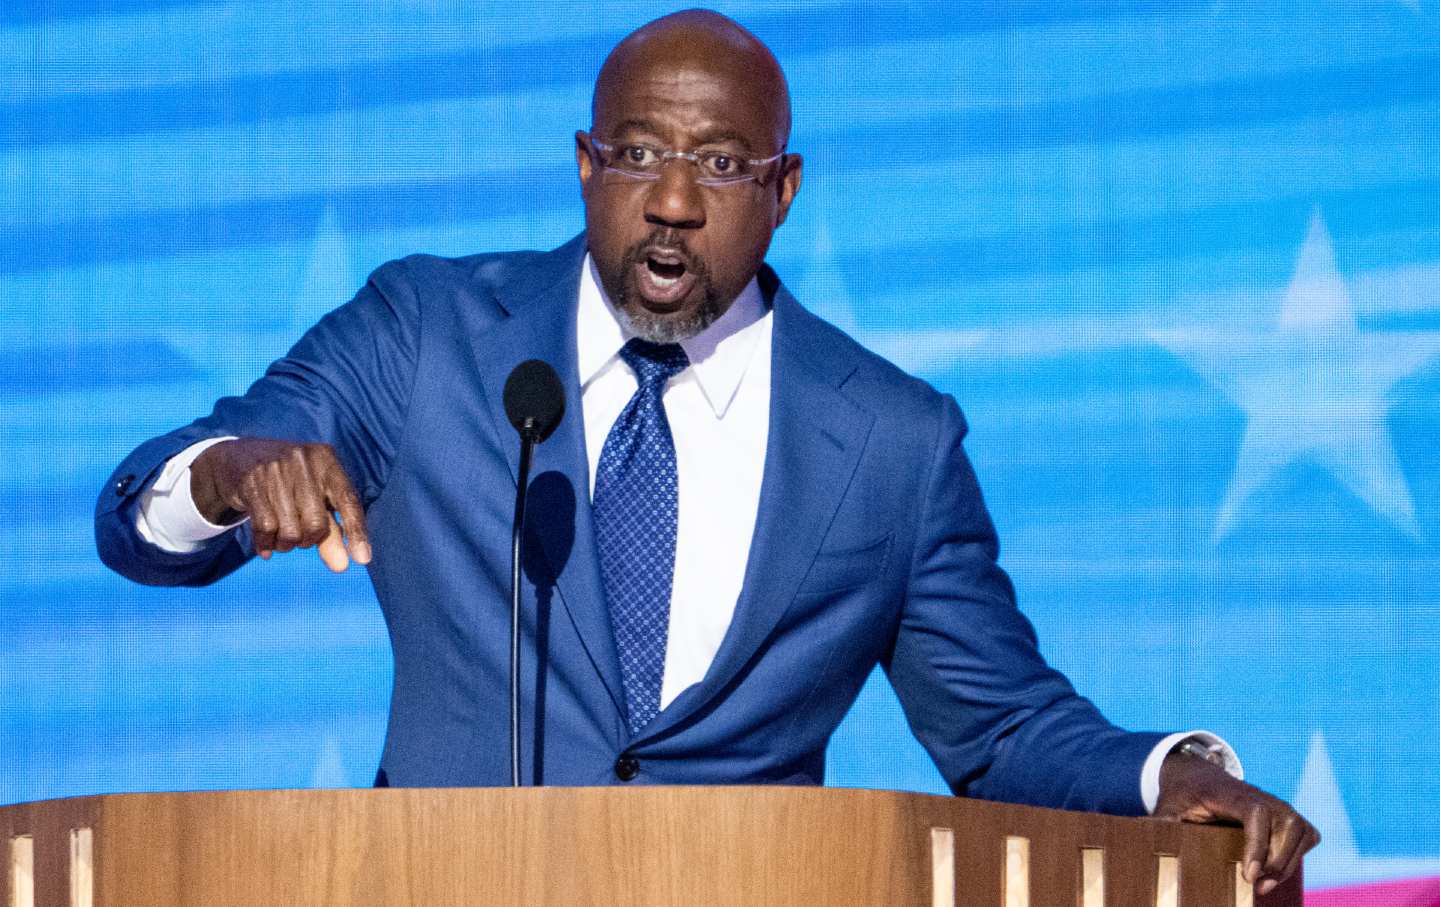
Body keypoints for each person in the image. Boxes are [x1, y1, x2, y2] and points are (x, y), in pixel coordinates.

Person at [95, 9, 1316, 894]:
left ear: (783, 190)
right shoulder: (429, 336)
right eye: (637, 153)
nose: (672, 199)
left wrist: (1166, 775)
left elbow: (1000, 730)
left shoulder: (893, 438)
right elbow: (145, 518)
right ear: (586, 166)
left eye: (721, 165)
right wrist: (227, 470)